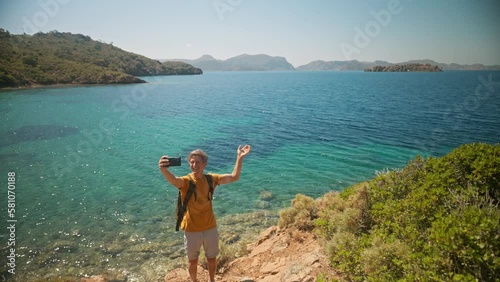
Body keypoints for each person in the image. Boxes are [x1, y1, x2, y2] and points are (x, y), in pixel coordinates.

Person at [158, 145, 251, 282]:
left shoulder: (211, 179)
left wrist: (239, 158)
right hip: (191, 229)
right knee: (192, 261)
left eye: (198, 162)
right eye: (192, 162)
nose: (194, 165)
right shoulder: (186, 182)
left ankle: (212, 280)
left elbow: (234, 177)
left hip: (210, 227)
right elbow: (174, 180)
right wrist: (163, 170)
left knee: (212, 259)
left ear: (204, 164)